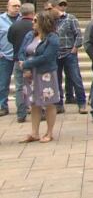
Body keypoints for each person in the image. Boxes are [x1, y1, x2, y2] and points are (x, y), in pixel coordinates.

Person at [18, 12, 60, 143]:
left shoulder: (52, 38)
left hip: (46, 73)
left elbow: (47, 57)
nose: (32, 23)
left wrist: (27, 63)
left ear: (43, 22)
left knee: (48, 103)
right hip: (30, 74)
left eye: (35, 21)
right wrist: (25, 67)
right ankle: (34, 133)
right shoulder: (30, 35)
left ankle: (49, 132)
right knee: (34, 103)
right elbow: (21, 51)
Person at [46, 0, 88, 115]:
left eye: (50, 9)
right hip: (55, 54)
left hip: (69, 52)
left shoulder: (70, 18)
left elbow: (78, 35)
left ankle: (82, 103)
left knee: (76, 78)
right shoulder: (50, 21)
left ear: (56, 7)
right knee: (56, 80)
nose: (48, 11)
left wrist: (75, 48)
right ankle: (59, 104)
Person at [7, 2, 33, 122]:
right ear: (32, 12)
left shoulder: (14, 26)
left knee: (19, 87)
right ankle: (40, 110)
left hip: (18, 59)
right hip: (33, 59)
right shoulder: (35, 26)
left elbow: (10, 39)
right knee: (36, 85)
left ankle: (21, 114)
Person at [0, 0, 22, 117]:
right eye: (14, 6)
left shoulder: (22, 19)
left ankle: (23, 106)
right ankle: (3, 106)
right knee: (3, 83)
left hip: (19, 56)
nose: (17, 8)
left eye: (18, 6)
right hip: (5, 56)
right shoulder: (0, 20)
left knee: (21, 84)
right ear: (8, 6)